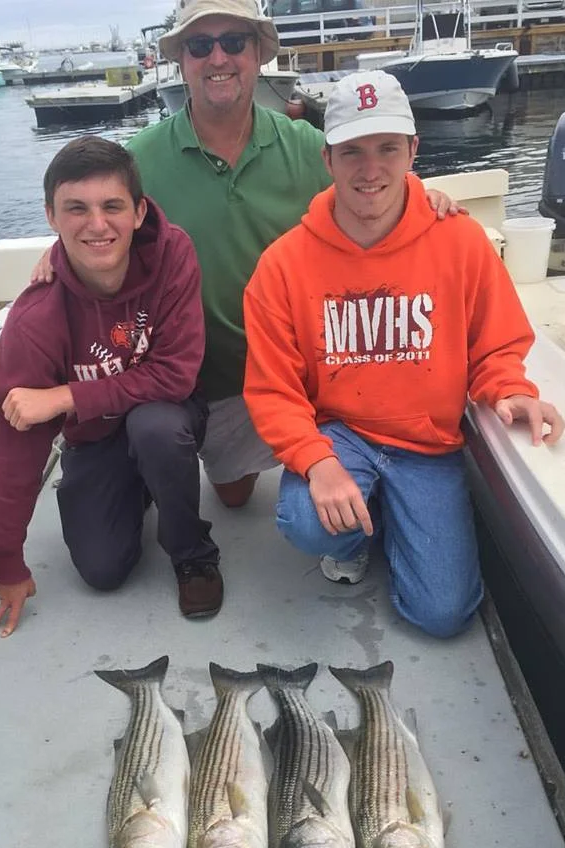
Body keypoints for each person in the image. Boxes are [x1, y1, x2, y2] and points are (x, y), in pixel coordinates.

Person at [32, 0, 460, 510]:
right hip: (196, 375)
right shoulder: (141, 158)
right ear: (182, 61)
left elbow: (372, 180)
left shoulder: (305, 146)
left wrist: (423, 191)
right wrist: (55, 254)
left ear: (258, 55)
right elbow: (98, 218)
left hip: (297, 370)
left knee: (311, 497)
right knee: (233, 496)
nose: (218, 57)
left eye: (234, 42)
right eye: (200, 45)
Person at [242, 71, 565, 639]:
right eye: (353, 152)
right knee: (304, 521)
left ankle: (394, 515)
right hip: (341, 431)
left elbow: (496, 342)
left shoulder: (460, 240)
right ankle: (357, 533)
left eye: (388, 148)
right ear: (328, 159)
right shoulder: (282, 265)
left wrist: (510, 389)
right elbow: (273, 390)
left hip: (428, 446)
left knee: (440, 616)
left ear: (414, 150)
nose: (371, 170)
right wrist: (317, 463)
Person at [0, 136, 222, 638]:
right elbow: (10, 449)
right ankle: (134, 487)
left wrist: (65, 397)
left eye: (112, 206)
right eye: (76, 209)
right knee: (103, 571)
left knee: (155, 428)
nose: (96, 224)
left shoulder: (173, 253)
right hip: (93, 436)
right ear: (51, 216)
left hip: (167, 414)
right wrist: (7, 560)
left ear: (138, 212)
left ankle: (192, 554)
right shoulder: (35, 319)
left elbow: (177, 373)